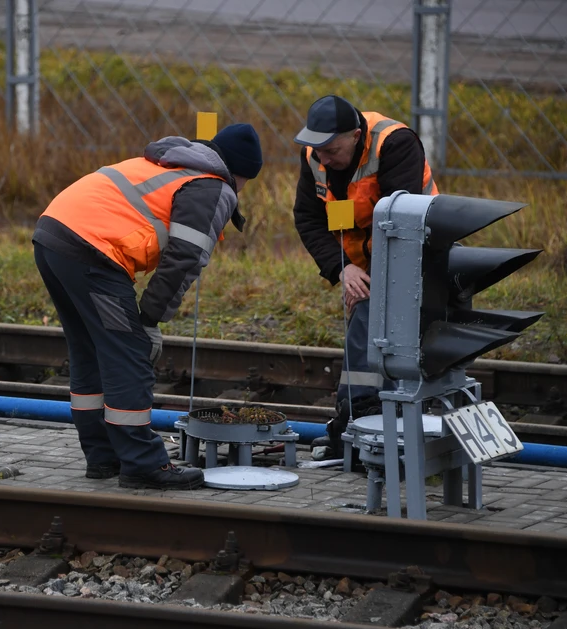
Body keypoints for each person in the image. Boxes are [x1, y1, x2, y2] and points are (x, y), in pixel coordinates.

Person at [33, 124, 263, 490]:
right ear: (241, 175)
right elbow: (185, 257)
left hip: (52, 236)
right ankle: (142, 463)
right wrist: (149, 320)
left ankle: (103, 456)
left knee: (90, 350)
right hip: (92, 252)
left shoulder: (171, 162)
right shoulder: (213, 187)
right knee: (129, 351)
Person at [292, 95, 438, 458]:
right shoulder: (315, 155)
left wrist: (369, 280)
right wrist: (344, 269)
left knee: (376, 331)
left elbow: (398, 222)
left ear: (357, 136)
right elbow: (309, 218)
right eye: (317, 149)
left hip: (416, 251)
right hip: (362, 265)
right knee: (367, 334)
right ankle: (359, 421)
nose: (322, 158)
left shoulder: (396, 144)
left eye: (331, 149)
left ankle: (359, 420)